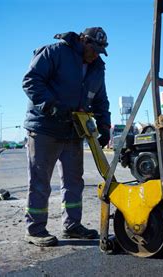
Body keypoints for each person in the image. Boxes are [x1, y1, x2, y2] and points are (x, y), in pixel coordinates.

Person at [22, 27, 111, 247]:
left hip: (73, 130)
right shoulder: (55, 52)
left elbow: (101, 100)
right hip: (45, 129)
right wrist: (52, 106)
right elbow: (31, 81)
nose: (95, 54)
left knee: (74, 182)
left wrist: (105, 126)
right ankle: (35, 229)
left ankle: (72, 226)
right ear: (82, 40)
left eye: (100, 50)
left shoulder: (97, 68)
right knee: (40, 181)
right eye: (93, 48)